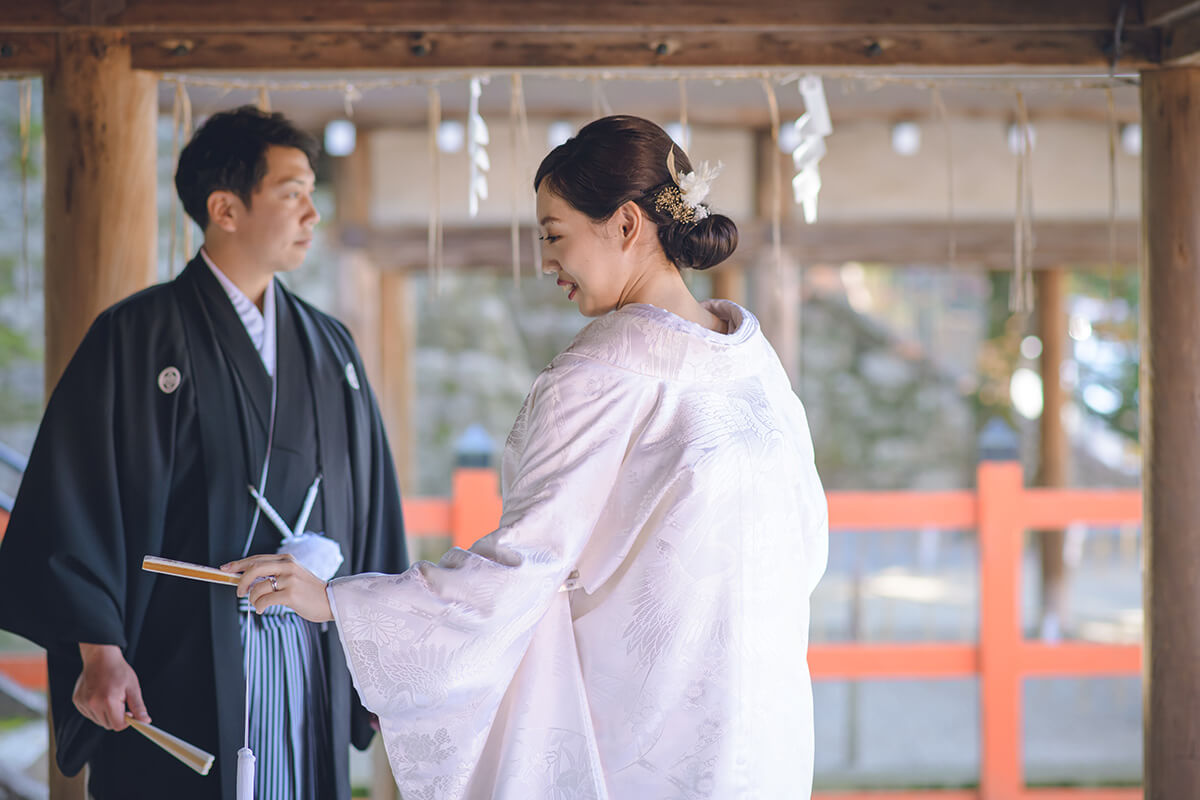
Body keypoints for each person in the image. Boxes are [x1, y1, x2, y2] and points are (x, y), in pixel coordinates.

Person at [227, 114, 828, 799]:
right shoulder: (754, 364)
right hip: (761, 728)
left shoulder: (599, 377)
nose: (546, 262)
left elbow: (519, 571)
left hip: (641, 741)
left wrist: (340, 603)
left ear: (627, 225)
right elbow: (807, 549)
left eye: (554, 236)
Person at [0, 106, 408, 800]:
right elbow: (76, 501)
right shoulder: (136, 337)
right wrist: (98, 652)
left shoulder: (329, 347)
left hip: (307, 654)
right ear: (225, 208)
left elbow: (370, 511)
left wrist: (383, 657)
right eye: (291, 192)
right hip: (176, 662)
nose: (312, 213)